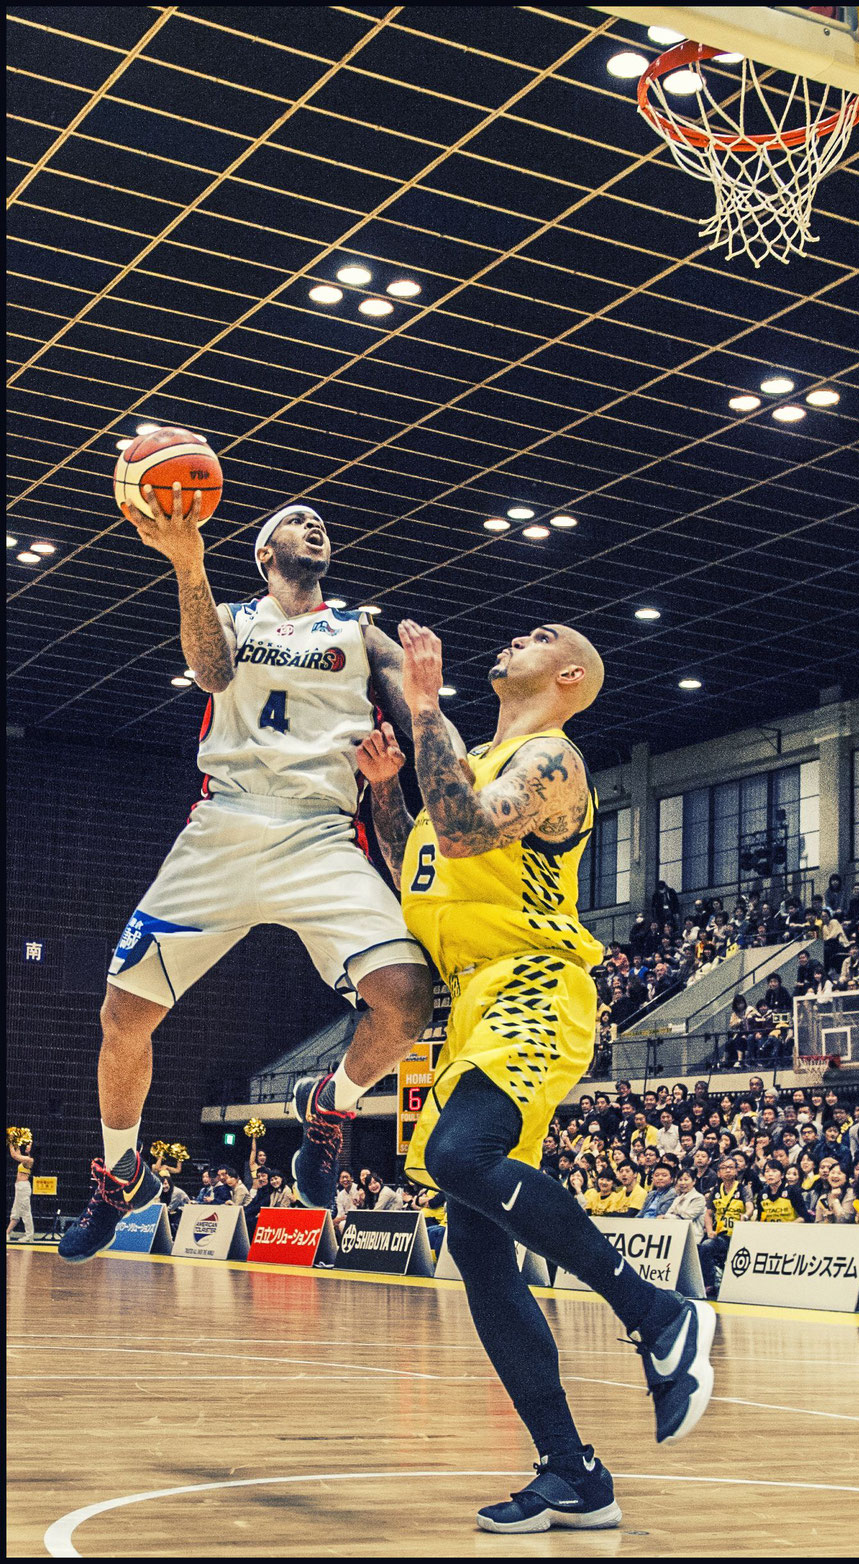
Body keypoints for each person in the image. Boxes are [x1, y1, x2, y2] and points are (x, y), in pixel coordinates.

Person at [361, 618, 715, 1532]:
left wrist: (424, 702)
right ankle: (573, 1471)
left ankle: (657, 1310)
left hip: (533, 987)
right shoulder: (473, 755)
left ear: (566, 674)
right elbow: (429, 857)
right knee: (476, 1249)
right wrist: (388, 791)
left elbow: (473, 831)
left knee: (458, 1156)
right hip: (471, 1004)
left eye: (540, 635)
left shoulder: (554, 760)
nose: (517, 634)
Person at [59, 490, 448, 1261]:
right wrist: (187, 563)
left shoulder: (362, 636)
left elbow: (431, 726)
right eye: (294, 522)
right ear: (265, 555)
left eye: (323, 524)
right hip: (227, 825)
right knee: (122, 1015)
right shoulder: (232, 618)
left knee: (406, 1003)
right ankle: (120, 1169)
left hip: (321, 832)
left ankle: (329, 1107)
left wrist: (454, 765)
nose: (315, 525)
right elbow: (207, 671)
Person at [699, 1157, 753, 1296]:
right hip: (721, 1235)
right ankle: (710, 1283)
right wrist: (710, 1230)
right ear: (719, 1173)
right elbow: (709, 1213)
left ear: (736, 1171)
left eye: (731, 1167)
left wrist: (746, 1215)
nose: (728, 1170)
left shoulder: (743, 1189)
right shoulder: (715, 1191)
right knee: (705, 1246)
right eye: (724, 1168)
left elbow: (750, 1206)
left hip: (739, 1235)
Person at [7, 1136, 35, 1243]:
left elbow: (14, 1155)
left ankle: (29, 1235)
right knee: (16, 1212)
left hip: (23, 1187)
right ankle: (7, 1232)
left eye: (29, 1145)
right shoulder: (26, 1157)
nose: (27, 1146)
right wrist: (15, 1141)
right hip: (20, 1188)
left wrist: (10, 1142)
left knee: (25, 1212)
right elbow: (17, 1153)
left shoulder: (29, 1160)